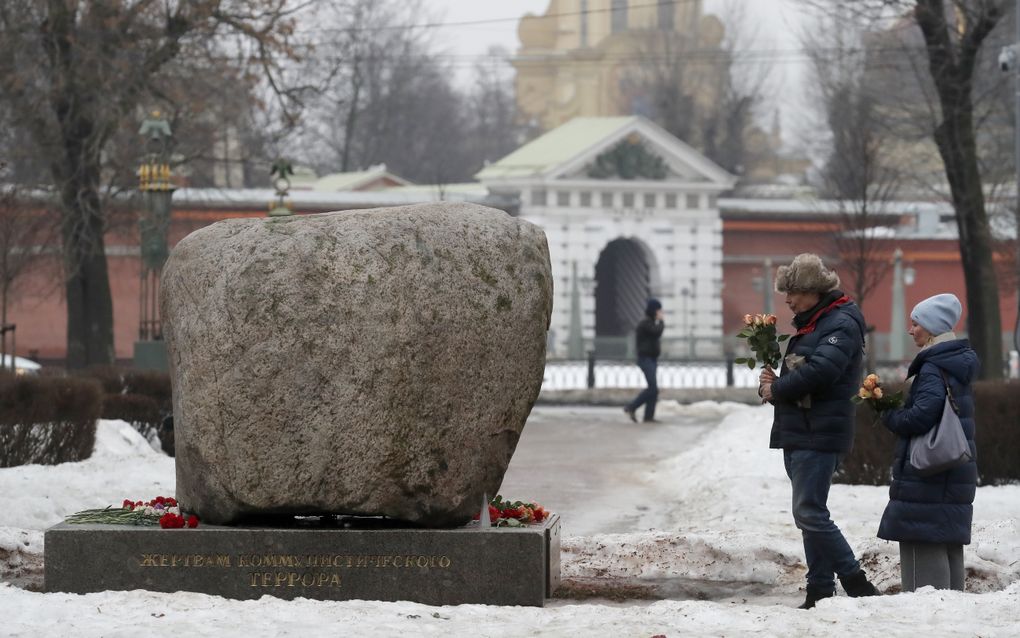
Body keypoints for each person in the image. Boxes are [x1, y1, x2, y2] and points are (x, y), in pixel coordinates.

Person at [758, 253, 880, 609]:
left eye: (792, 292)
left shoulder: (839, 324)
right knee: (811, 513)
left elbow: (821, 374)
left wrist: (778, 390)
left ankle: (855, 581)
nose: (787, 300)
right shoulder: (813, 324)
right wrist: (771, 384)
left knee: (809, 512)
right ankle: (820, 588)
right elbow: (801, 374)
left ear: (812, 291)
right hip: (802, 429)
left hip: (819, 432)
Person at [878, 293, 978, 592]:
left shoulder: (934, 368)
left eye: (916, 324)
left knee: (924, 540)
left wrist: (886, 412)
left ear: (932, 328)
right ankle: (952, 615)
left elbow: (920, 418)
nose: (911, 330)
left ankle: (932, 618)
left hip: (930, 472)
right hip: (952, 467)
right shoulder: (954, 363)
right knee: (946, 539)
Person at [623, 298, 664, 423]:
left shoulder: (650, 322)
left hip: (651, 358)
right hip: (645, 359)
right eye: (659, 310)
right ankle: (631, 407)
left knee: (654, 389)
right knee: (652, 388)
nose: (661, 312)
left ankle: (648, 416)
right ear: (654, 310)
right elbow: (656, 332)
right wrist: (661, 321)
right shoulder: (645, 323)